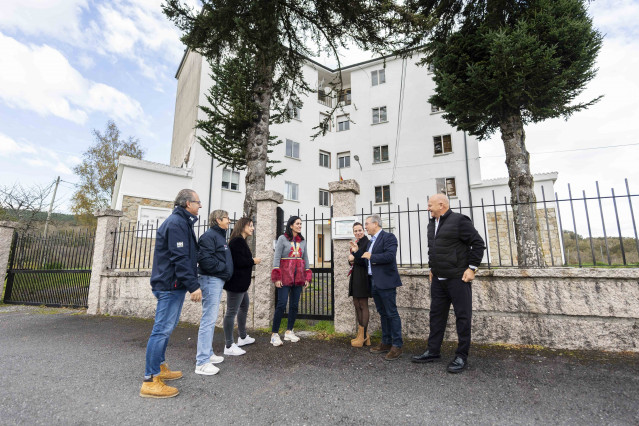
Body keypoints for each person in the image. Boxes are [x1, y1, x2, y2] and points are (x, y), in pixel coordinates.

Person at [412, 193, 485, 374]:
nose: (428, 208)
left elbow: (478, 243)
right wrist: (432, 268)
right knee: (436, 316)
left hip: (458, 279)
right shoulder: (432, 224)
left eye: (430, 205)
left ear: (441, 204)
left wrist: (472, 268)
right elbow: (434, 249)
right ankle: (433, 351)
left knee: (462, 317)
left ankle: (461, 356)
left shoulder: (459, 220)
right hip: (438, 279)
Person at [140, 189, 203, 398]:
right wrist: (193, 285)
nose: (200, 206)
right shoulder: (176, 223)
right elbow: (180, 258)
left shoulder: (181, 222)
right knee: (161, 330)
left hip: (172, 285)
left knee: (166, 328)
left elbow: (186, 255)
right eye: (197, 202)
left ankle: (159, 366)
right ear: (187, 203)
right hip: (169, 285)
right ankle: (150, 379)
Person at [351, 214, 403, 361]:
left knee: (391, 313)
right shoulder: (371, 241)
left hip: (386, 282)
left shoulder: (389, 237)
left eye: (367, 224)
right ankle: (386, 342)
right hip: (373, 281)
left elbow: (390, 256)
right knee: (383, 313)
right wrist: (357, 251)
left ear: (375, 224)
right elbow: (365, 258)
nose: (365, 227)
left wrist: (371, 256)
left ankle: (397, 345)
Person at [194, 209, 233, 375]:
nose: (229, 221)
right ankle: (201, 362)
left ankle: (208, 354)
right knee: (208, 320)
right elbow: (204, 259)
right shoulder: (209, 236)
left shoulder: (218, 236)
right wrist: (224, 269)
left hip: (216, 280)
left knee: (210, 319)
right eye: (227, 218)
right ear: (218, 220)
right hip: (211, 280)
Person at [270, 216, 312, 346]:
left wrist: (307, 276)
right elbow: (276, 258)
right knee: (281, 304)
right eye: (297, 223)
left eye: (301, 224)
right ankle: (274, 334)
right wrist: (276, 277)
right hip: (284, 277)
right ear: (291, 225)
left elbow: (305, 259)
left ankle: (289, 331)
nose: (300, 226)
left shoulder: (303, 241)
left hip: (298, 278)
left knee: (294, 305)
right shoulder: (282, 239)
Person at [222, 217, 261, 356]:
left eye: (253, 225)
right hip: (235, 284)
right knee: (231, 312)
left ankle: (243, 337)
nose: (252, 228)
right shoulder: (237, 241)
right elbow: (239, 261)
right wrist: (253, 261)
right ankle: (228, 345)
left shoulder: (240, 241)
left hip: (241, 285)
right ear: (243, 226)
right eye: (250, 225)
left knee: (244, 306)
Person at [347, 222, 371, 347]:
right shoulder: (356, 243)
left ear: (364, 230)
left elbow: (364, 261)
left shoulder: (367, 243)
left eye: (360, 230)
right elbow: (352, 261)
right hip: (355, 276)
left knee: (363, 304)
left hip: (363, 276)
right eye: (355, 231)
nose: (358, 232)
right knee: (356, 304)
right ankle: (362, 335)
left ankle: (364, 335)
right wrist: (350, 259)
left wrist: (354, 256)